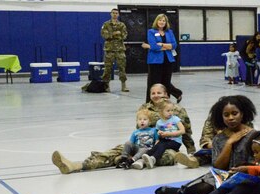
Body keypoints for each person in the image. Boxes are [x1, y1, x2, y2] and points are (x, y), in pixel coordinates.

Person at [52, 84, 196, 173]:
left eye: (159, 92)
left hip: (165, 146)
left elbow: (186, 131)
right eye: (153, 93)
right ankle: (77, 165)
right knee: (118, 150)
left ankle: (133, 161)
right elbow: (139, 128)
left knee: (168, 157)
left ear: (166, 94)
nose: (156, 95)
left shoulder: (177, 110)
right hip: (143, 142)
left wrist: (191, 152)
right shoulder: (144, 108)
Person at [145, 14, 182, 103]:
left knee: (166, 82)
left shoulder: (169, 32)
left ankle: (165, 103)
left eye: (164, 21)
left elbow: (174, 45)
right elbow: (153, 46)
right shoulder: (151, 32)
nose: (162, 22)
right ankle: (150, 103)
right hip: (155, 61)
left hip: (168, 60)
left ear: (166, 22)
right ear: (156, 21)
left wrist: (162, 45)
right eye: (160, 20)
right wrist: (167, 46)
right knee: (153, 83)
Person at [100, 8, 129, 92]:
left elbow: (124, 35)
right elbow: (104, 35)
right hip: (109, 49)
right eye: (113, 13)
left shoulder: (122, 25)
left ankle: (123, 85)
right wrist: (114, 34)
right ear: (110, 14)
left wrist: (112, 35)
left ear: (118, 14)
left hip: (120, 49)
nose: (115, 14)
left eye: (116, 13)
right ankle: (106, 85)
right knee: (107, 68)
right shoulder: (106, 24)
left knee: (122, 68)